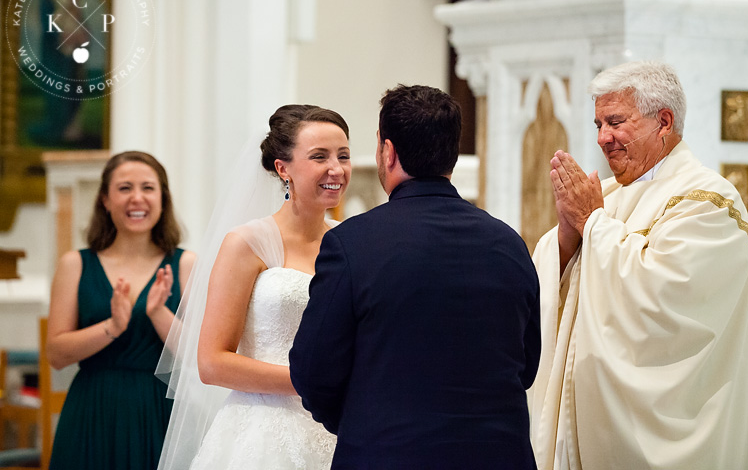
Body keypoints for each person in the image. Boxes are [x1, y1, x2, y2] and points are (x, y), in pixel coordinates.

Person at [290, 84, 541, 469]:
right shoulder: (509, 244)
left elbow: (312, 372)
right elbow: (526, 365)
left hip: (388, 453)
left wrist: (364, 423)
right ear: (452, 155)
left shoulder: (351, 244)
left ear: (387, 152)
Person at [530, 60, 748, 470]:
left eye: (616, 122)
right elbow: (551, 284)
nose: (603, 138)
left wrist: (592, 224)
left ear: (664, 121)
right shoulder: (602, 196)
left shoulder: (709, 201)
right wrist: (567, 239)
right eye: (598, 124)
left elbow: (666, 300)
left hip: (670, 433)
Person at [157, 105, 351, 469]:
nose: (336, 169)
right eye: (319, 157)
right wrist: (309, 382)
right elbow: (212, 363)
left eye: (343, 156)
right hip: (261, 432)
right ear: (283, 168)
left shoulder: (349, 241)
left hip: (334, 428)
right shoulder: (247, 242)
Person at [47, 151, 195, 470]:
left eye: (148, 188)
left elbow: (197, 357)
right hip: (92, 409)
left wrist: (158, 314)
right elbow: (56, 354)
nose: (137, 198)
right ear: (105, 199)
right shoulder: (75, 264)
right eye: (125, 188)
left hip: (160, 411)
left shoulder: (186, 264)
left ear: (163, 198)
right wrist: (112, 326)